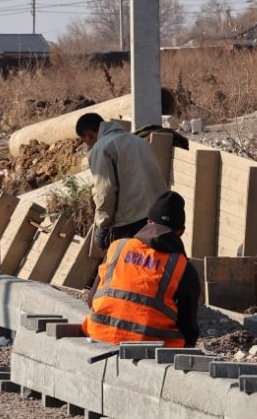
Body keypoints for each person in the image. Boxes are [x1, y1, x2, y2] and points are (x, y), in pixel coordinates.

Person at [83, 191, 200, 348]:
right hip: (151, 346)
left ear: (148, 221)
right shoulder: (183, 267)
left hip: (99, 334)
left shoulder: (118, 247)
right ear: (181, 231)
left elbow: (91, 300)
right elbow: (188, 329)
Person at [75, 112, 167, 253]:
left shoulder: (102, 148)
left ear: (88, 135)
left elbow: (105, 191)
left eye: (84, 140)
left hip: (131, 220)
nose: (87, 145)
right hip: (157, 213)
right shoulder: (138, 140)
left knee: (124, 266)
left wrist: (103, 225)